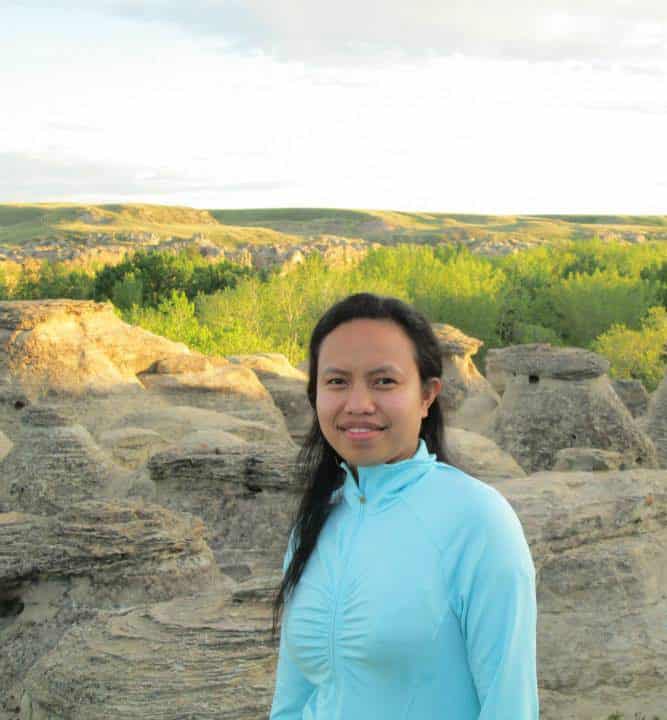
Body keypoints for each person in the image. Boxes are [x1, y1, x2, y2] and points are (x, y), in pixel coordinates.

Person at [269, 292, 539, 720]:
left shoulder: (477, 521)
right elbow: (292, 701)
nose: (358, 404)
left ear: (428, 395)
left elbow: (509, 705)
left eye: (384, 381)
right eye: (337, 381)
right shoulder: (315, 522)